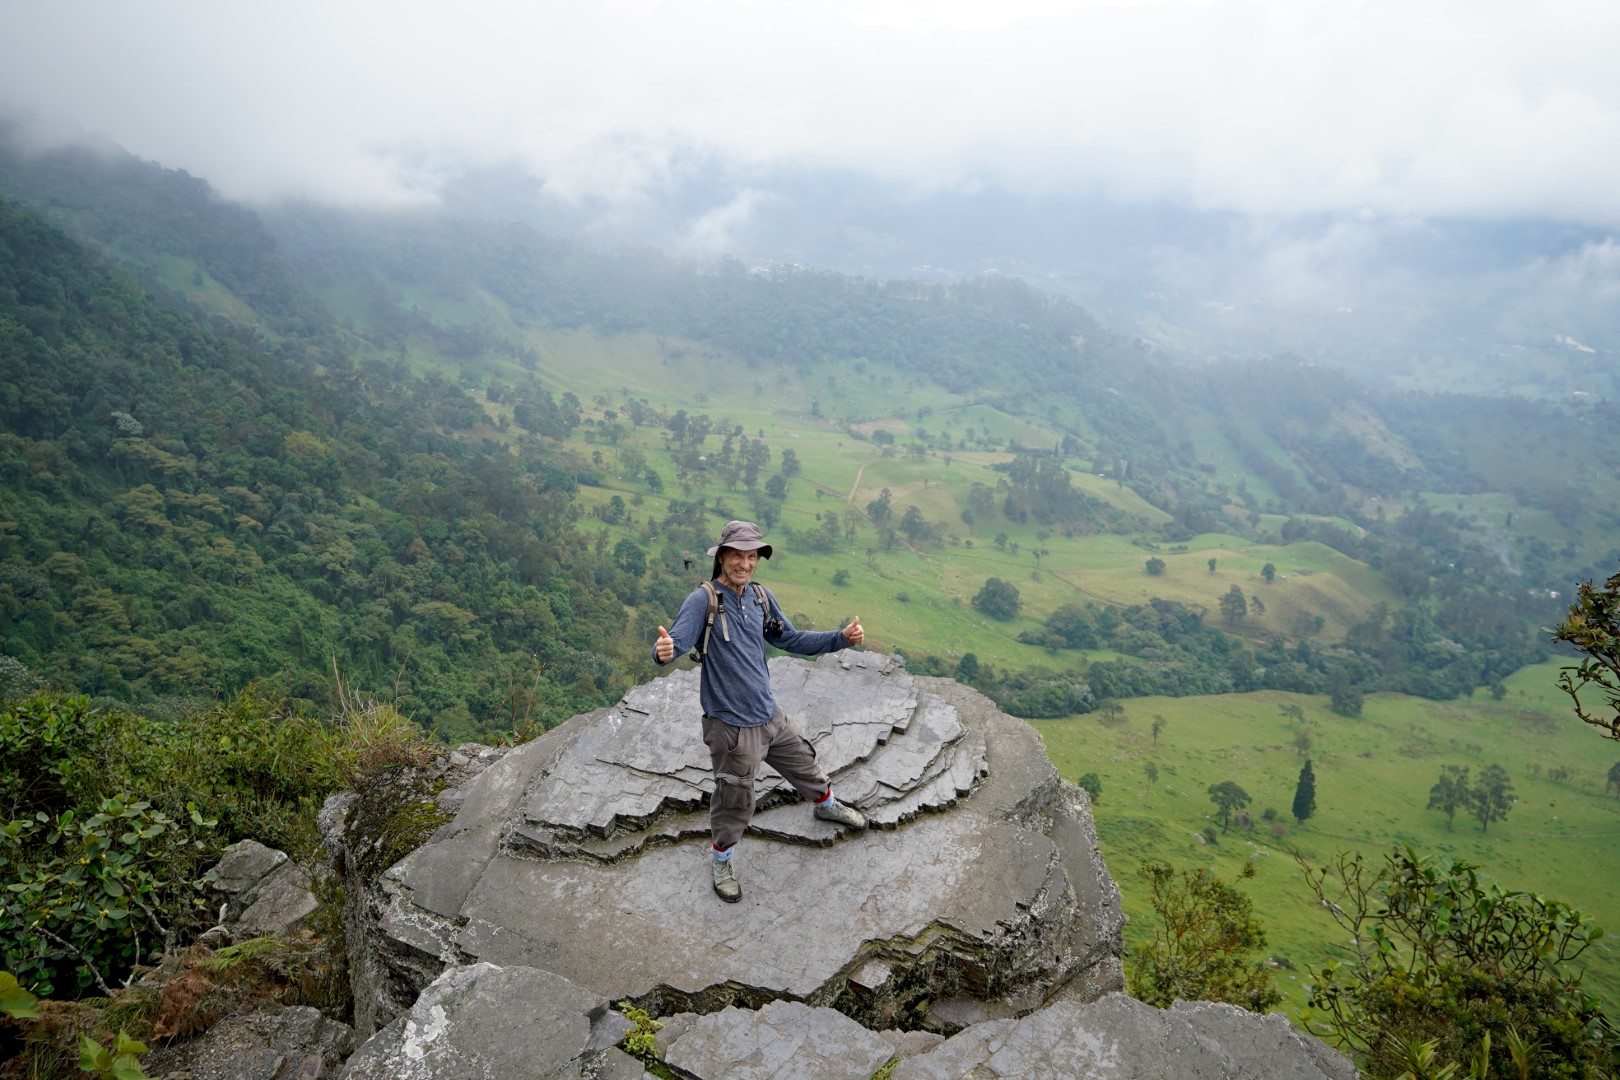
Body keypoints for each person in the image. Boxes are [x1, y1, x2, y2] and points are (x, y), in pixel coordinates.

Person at [653, 520, 868, 902]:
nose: (745, 564)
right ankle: (722, 859)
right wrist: (664, 652)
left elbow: (790, 638)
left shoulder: (759, 598)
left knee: (805, 763)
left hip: (769, 715)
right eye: (738, 555)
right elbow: (679, 640)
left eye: (752, 556)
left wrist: (841, 638)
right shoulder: (704, 600)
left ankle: (826, 806)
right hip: (732, 727)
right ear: (722, 557)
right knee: (735, 798)